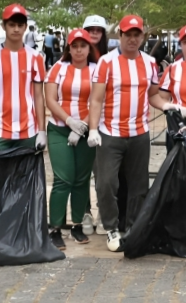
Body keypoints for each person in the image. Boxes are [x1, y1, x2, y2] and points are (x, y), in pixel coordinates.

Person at [87, 14, 158, 252]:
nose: (132, 39)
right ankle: (111, 226)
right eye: (128, 34)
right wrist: (93, 129)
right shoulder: (106, 62)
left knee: (138, 185)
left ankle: (132, 227)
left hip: (139, 133)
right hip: (110, 132)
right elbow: (96, 99)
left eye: (137, 35)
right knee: (106, 183)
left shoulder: (150, 63)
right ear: (120, 35)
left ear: (143, 37)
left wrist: (170, 106)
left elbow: (154, 95)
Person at [44, 28, 99, 250]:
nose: (78, 50)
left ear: (89, 48)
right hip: (59, 128)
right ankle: (55, 227)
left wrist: (83, 126)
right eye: (74, 46)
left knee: (81, 179)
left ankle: (77, 224)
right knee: (63, 178)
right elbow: (50, 99)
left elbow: (99, 101)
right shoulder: (58, 68)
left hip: (86, 131)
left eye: (82, 46)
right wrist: (69, 122)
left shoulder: (96, 70)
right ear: (68, 48)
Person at [0, 4, 47, 151]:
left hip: (29, 131)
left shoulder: (36, 58)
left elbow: (39, 96)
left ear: (26, 27)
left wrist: (41, 131)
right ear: (3, 25)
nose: (16, 29)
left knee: (26, 174)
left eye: (20, 25)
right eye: (12, 25)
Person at [80, 14, 110, 236]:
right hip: (78, 122)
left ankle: (103, 212)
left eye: (98, 30)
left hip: (102, 123)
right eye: (90, 29)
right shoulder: (76, 59)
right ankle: (84, 212)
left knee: (102, 174)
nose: (94, 34)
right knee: (82, 172)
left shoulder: (108, 59)